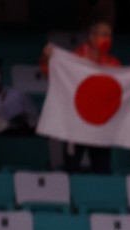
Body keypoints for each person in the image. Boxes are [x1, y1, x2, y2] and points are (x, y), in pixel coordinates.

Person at [42, 17, 122, 174]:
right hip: (75, 125)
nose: (107, 39)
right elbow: (49, 72)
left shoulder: (114, 64)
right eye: (104, 35)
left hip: (101, 126)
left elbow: (122, 90)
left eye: (109, 35)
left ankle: (100, 199)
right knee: (71, 169)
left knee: (102, 171)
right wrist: (47, 57)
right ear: (92, 37)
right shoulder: (74, 59)